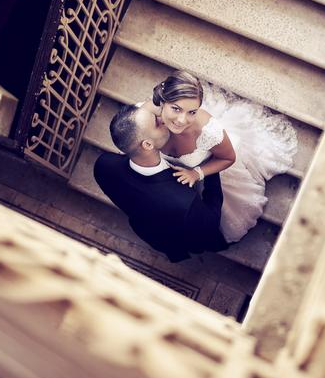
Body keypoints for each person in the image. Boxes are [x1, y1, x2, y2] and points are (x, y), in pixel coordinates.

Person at [142, 70, 297, 242]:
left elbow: (228, 158)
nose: (182, 120)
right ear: (162, 102)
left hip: (205, 176)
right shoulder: (146, 114)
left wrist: (196, 173)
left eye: (192, 112)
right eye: (176, 109)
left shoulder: (209, 132)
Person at [93, 104, 228, 262]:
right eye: (157, 123)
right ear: (147, 145)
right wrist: (209, 167)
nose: (163, 119)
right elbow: (211, 221)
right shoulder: (184, 202)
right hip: (183, 229)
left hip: (147, 228)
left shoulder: (103, 165)